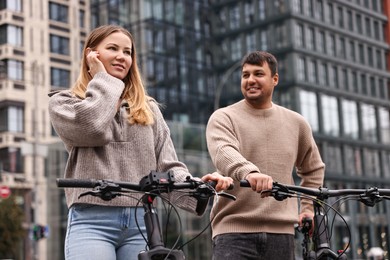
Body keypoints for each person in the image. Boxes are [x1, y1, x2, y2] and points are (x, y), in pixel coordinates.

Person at [48, 25, 233, 260]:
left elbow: (168, 167)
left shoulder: (148, 109)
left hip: (142, 222)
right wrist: (104, 80)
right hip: (91, 220)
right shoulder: (65, 102)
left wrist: (198, 186)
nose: (121, 56)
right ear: (91, 55)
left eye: (127, 52)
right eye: (112, 48)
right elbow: (92, 127)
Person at [205, 51, 325, 260]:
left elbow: (313, 169)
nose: (250, 80)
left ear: (275, 79)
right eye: (245, 75)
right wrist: (249, 173)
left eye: (258, 74)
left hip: (282, 235)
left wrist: (307, 207)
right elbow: (224, 153)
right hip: (233, 233)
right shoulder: (224, 117)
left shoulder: (297, 123)